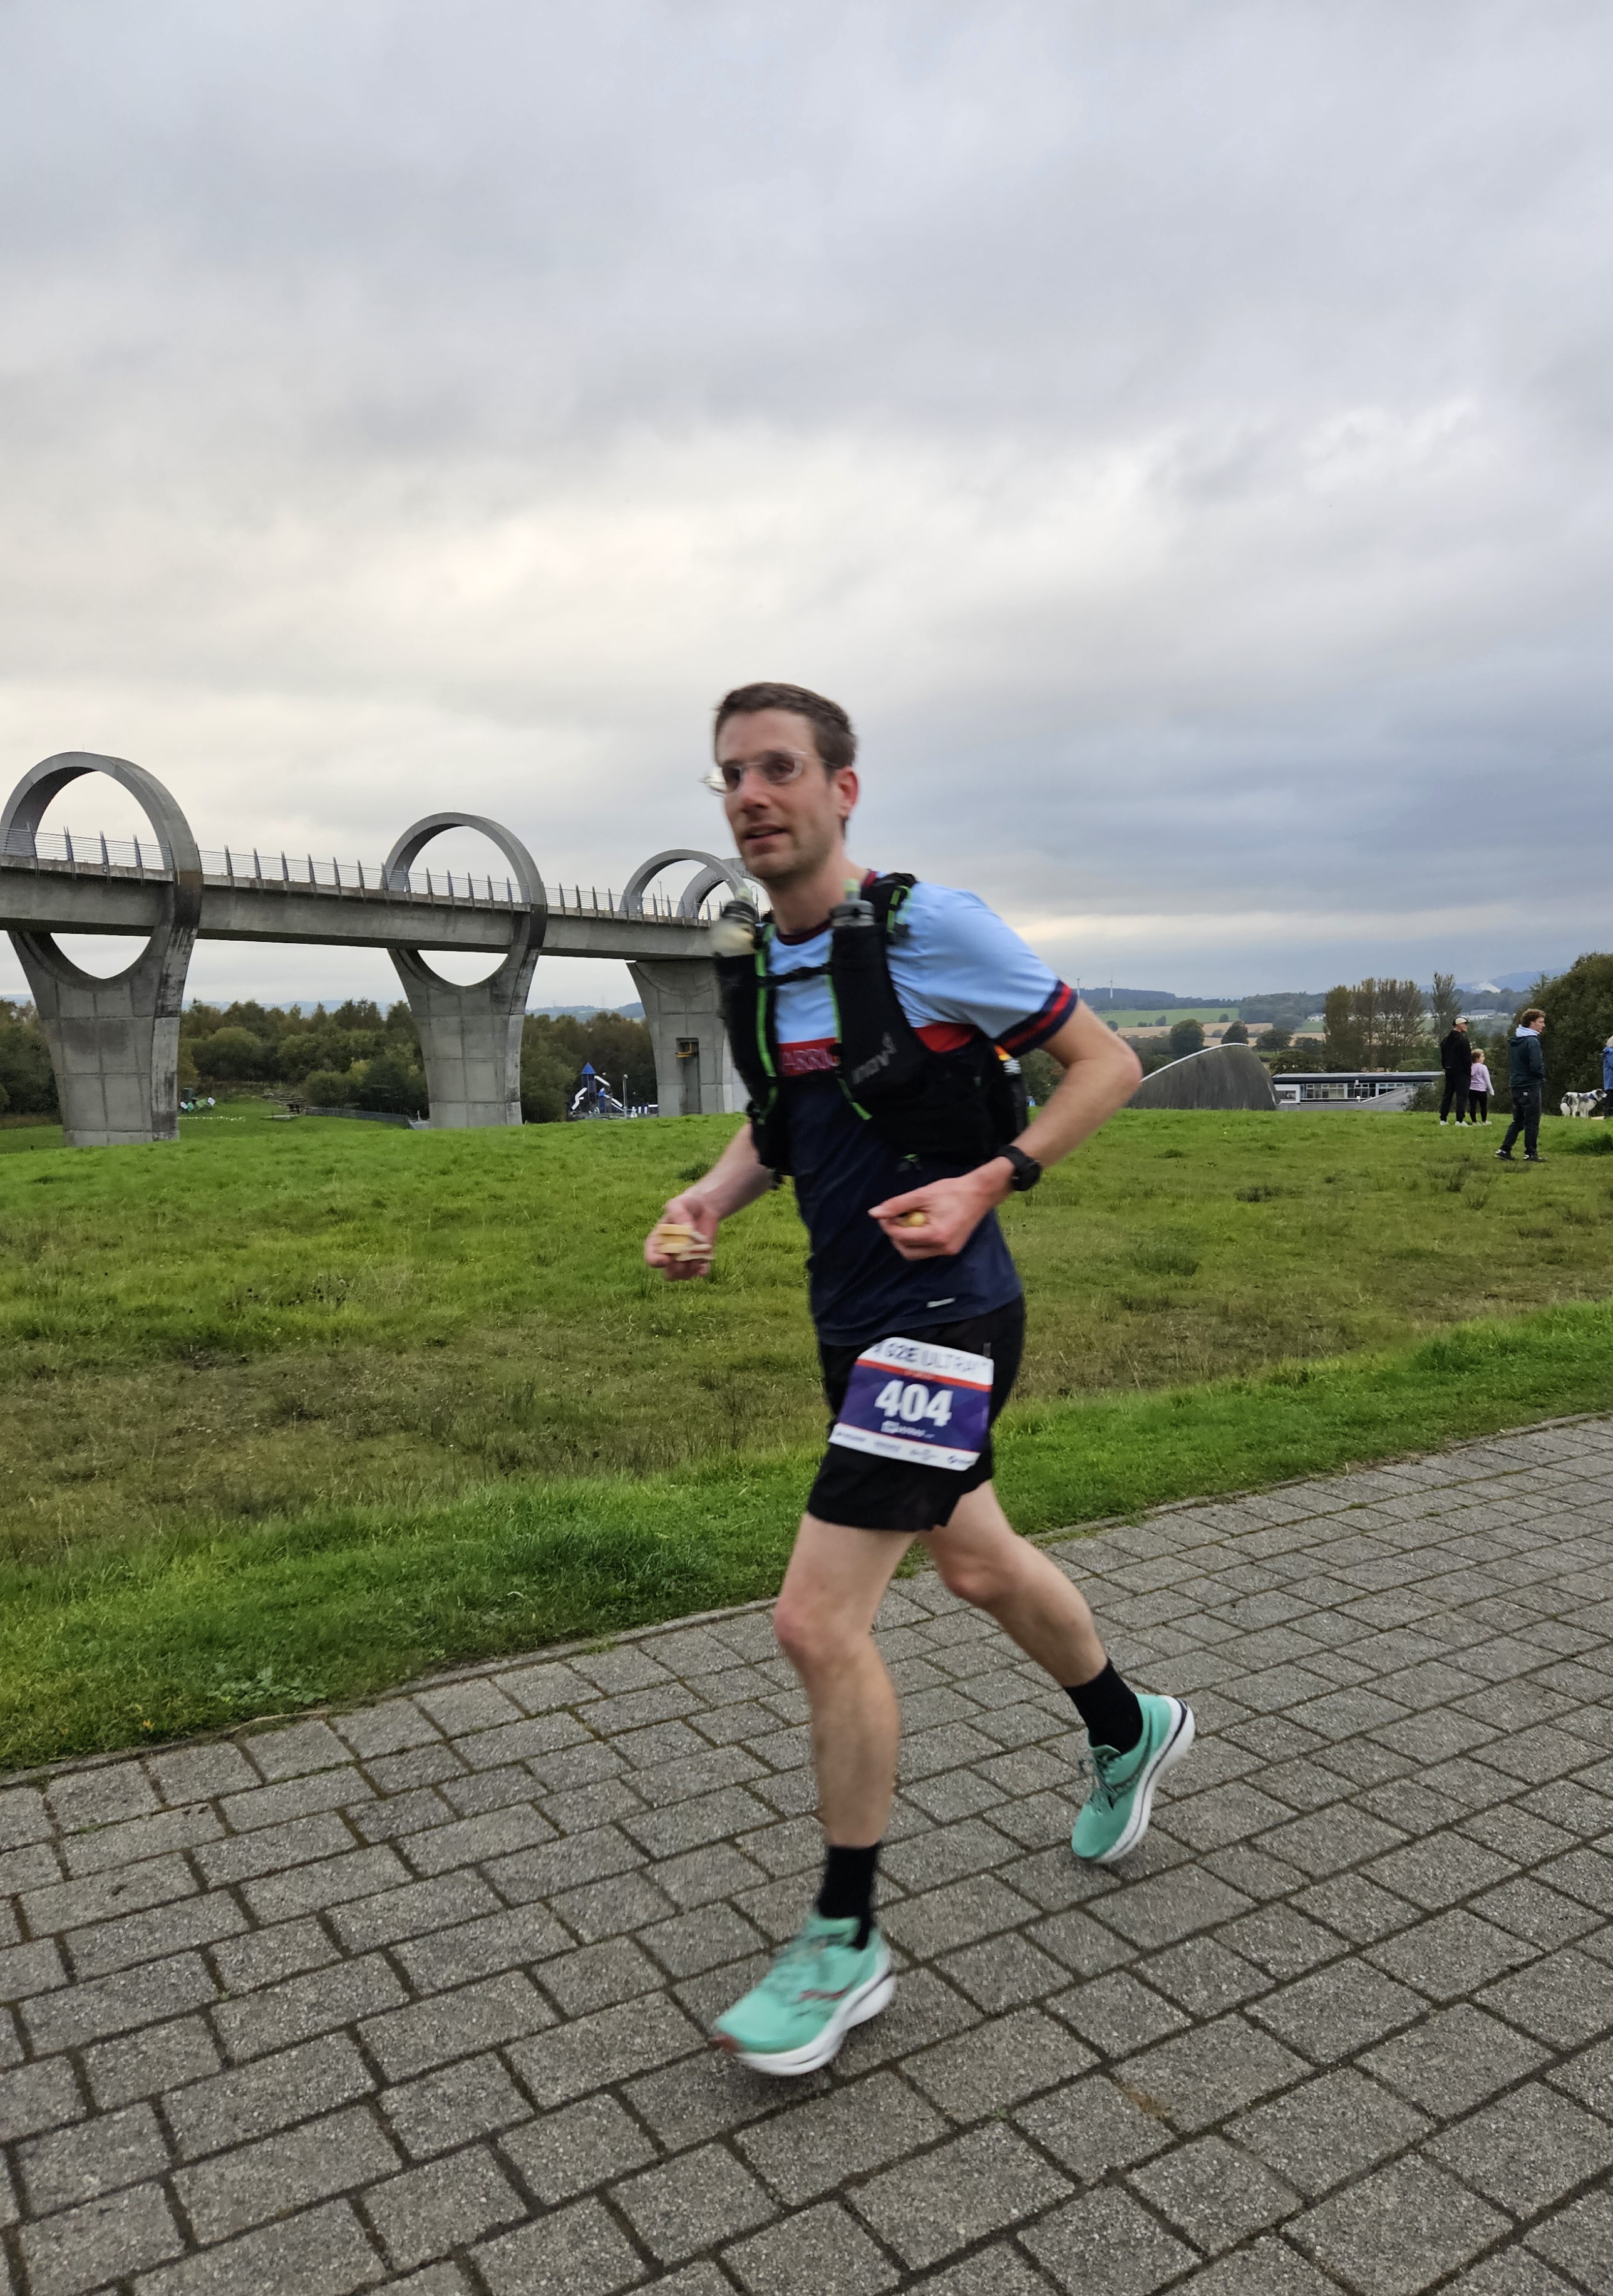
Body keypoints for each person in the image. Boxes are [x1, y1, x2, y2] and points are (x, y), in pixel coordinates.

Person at [645, 681, 1195, 2077]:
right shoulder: (756, 967)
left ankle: (844, 1942)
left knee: (814, 1622)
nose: (750, 796)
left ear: (842, 789)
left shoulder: (931, 930)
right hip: (851, 1317)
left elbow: (1106, 1063)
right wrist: (704, 1203)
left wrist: (989, 1180)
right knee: (976, 1560)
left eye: (778, 770)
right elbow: (780, 1130)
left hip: (948, 1313)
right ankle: (1130, 1728)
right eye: (729, 777)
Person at [1497, 1008, 1547, 1162]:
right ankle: (1530, 1153)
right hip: (1530, 1084)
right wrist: (1541, 1076)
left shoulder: (1515, 1039)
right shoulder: (1532, 1041)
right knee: (1532, 1121)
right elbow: (1536, 1065)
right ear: (1532, 1023)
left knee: (1518, 1120)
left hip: (1516, 1084)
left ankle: (1505, 1149)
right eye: (1541, 1022)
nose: (1543, 1025)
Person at [1438, 1015, 1471, 1125]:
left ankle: (1443, 1119)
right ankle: (1460, 1120)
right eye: (1465, 1024)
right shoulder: (1463, 1040)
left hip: (1449, 1071)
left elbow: (1443, 1057)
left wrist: (1446, 1067)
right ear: (1459, 1025)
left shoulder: (1445, 1040)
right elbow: (1467, 1059)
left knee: (1447, 1095)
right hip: (1461, 1072)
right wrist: (1468, 1072)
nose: (1466, 1026)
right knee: (1462, 1096)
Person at [1467, 1045, 1492, 1125]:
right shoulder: (1483, 1067)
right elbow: (1487, 1080)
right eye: (1482, 1057)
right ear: (1477, 1059)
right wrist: (1491, 1090)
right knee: (1483, 1106)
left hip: (1471, 1089)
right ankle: (1484, 1121)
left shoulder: (1470, 1067)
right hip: (1481, 1090)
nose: (1484, 1058)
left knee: (1473, 1106)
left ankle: (1474, 1121)